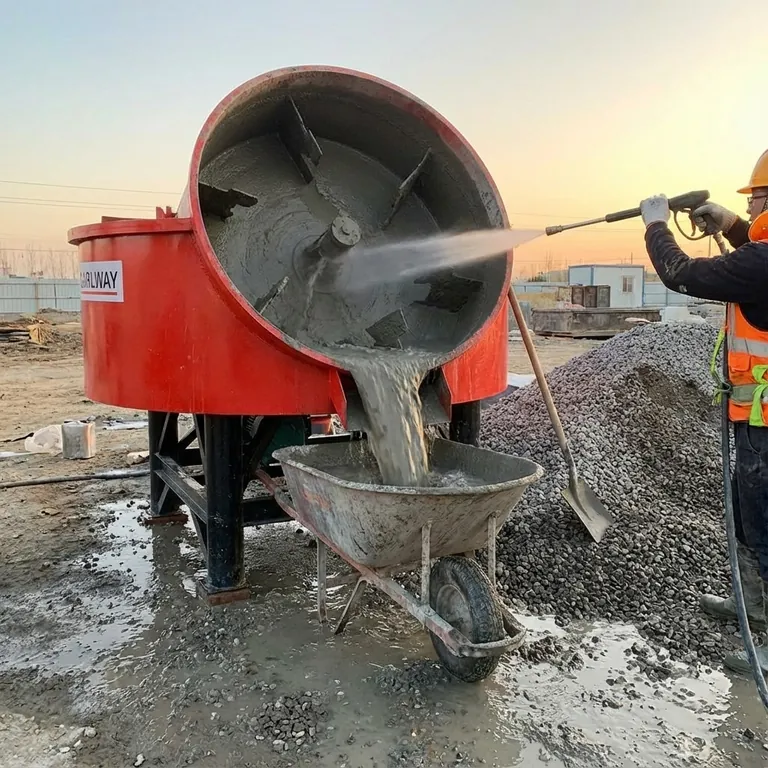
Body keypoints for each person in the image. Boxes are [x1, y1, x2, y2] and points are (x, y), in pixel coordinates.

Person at [639, 149, 768, 674]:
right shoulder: (760, 257)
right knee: (748, 515)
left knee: (765, 526)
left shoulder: (761, 264)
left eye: (756, 196)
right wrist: (732, 224)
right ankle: (754, 605)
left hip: (765, 422)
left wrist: (655, 226)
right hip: (755, 418)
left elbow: (682, 274)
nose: (753, 202)